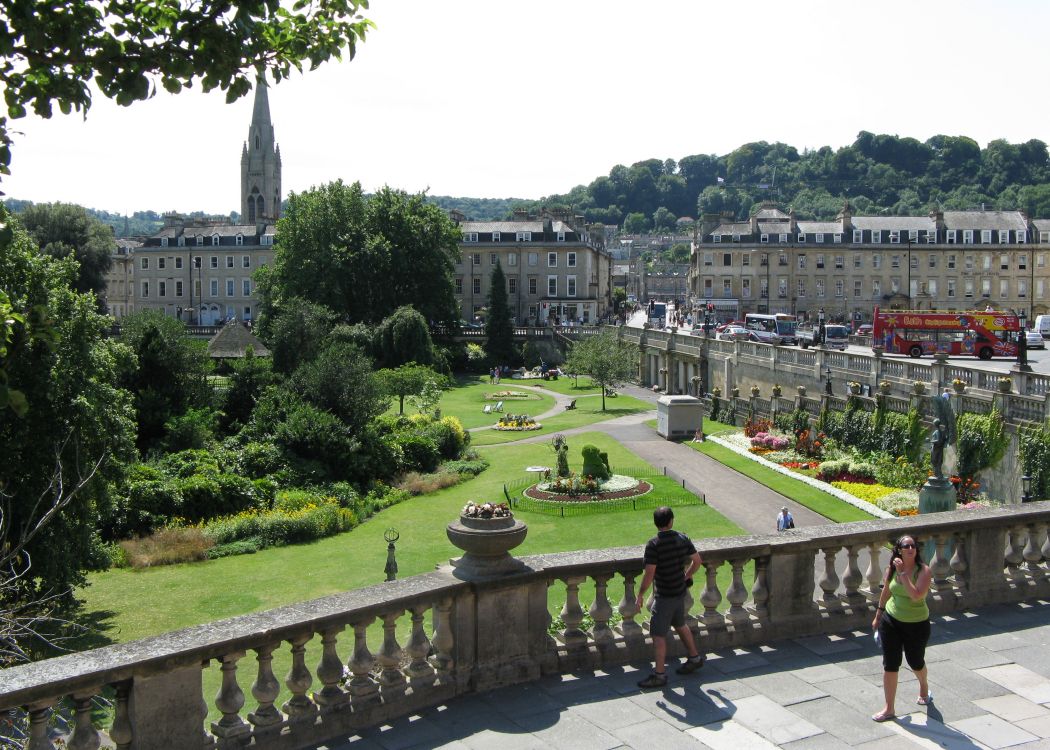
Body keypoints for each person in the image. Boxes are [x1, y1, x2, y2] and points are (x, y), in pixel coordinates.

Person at [635, 506, 704, 689]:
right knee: (680, 624)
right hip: (679, 591)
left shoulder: (654, 544)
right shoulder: (682, 538)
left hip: (665, 595)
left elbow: (649, 574)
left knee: (658, 635)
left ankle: (659, 675)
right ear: (671, 521)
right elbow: (697, 561)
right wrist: (686, 576)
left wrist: (640, 594)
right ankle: (695, 658)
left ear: (655, 523)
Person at [871, 534, 933, 722]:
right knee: (890, 663)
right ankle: (889, 708)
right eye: (906, 546)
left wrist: (903, 574)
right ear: (899, 550)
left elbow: (916, 595)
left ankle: (923, 685)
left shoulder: (923, 571)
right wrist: (878, 614)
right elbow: (886, 591)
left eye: (913, 545)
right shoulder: (891, 568)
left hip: (917, 624)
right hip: (891, 620)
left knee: (915, 661)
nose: (910, 548)